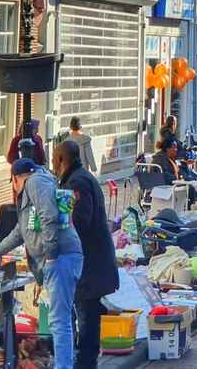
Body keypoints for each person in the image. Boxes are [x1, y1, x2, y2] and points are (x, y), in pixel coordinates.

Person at [0, 159, 83, 368]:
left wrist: (50, 254)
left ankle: (64, 366)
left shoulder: (34, 183)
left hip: (60, 258)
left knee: (58, 320)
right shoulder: (36, 188)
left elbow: (48, 217)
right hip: (61, 258)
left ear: (15, 179)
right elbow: (19, 232)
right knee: (61, 318)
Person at [52, 141, 118, 369]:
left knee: (86, 313)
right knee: (87, 311)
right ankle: (85, 359)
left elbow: (80, 220)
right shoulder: (82, 176)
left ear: (61, 159)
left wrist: (58, 233)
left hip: (89, 263)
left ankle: (85, 363)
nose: (52, 164)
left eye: (54, 159)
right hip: (94, 262)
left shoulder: (76, 182)